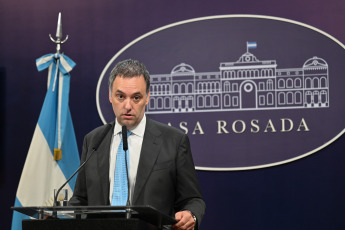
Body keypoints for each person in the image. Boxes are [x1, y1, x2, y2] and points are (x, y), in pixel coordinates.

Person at [69, 59, 206, 230]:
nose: (127, 105)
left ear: (147, 97)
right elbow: (80, 199)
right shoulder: (93, 140)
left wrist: (190, 214)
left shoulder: (174, 141)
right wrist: (59, 218)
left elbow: (193, 200)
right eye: (120, 96)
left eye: (136, 97)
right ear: (110, 96)